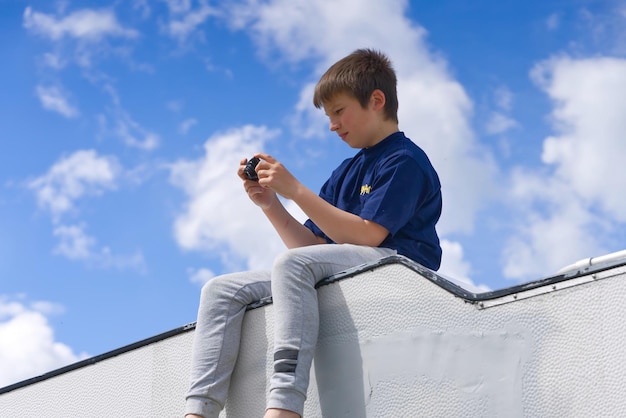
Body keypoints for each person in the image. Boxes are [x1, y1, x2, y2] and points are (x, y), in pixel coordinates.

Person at [184, 48, 442, 418]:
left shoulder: (403, 159)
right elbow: (310, 248)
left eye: (339, 111)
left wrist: (296, 190)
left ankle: (285, 407)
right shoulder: (345, 171)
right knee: (221, 290)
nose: (332, 125)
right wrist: (271, 204)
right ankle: (199, 411)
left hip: (396, 268)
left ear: (376, 100)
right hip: (349, 264)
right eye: (329, 116)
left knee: (291, 265)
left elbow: (370, 236)